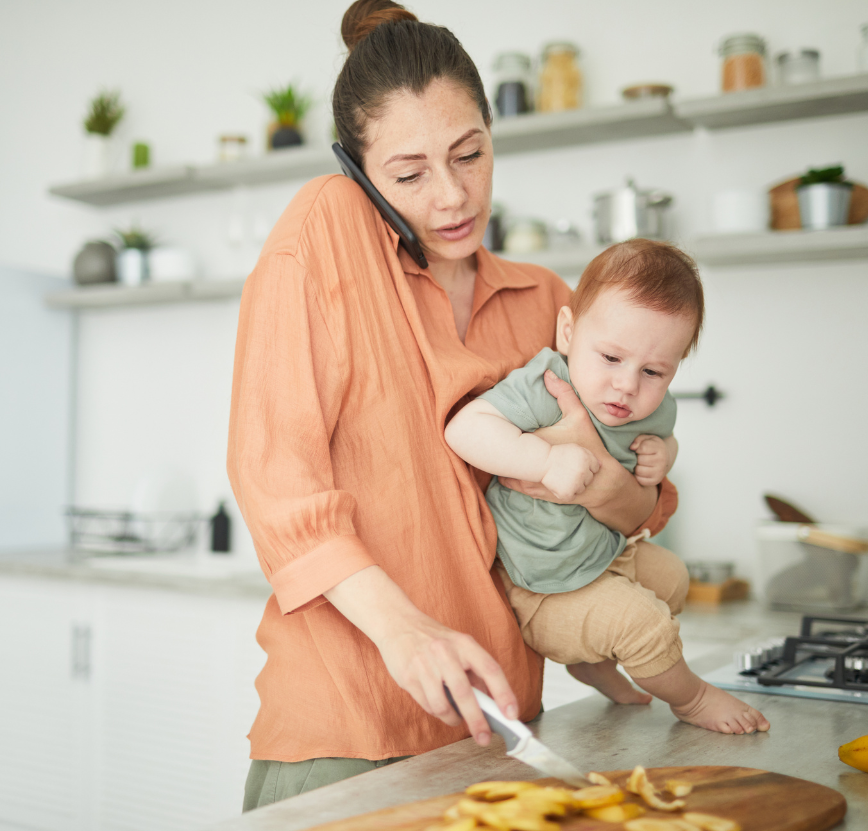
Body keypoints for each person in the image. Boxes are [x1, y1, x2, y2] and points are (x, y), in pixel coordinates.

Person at [227, 0, 680, 810]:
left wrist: (591, 475)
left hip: (501, 730)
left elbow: (637, 509)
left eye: (469, 154)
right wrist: (405, 629)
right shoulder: (326, 229)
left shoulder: (545, 301)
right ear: (358, 171)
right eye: (408, 174)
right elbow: (274, 476)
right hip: (348, 727)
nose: (451, 195)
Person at [445, 240, 771, 735]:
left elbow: (665, 436)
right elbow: (465, 430)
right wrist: (544, 458)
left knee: (675, 579)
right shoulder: (546, 385)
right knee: (642, 622)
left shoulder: (653, 406)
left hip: (605, 554)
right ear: (569, 332)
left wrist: (666, 455)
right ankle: (693, 698)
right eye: (611, 358)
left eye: (653, 371)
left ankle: (593, 664)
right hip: (542, 587)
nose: (626, 386)